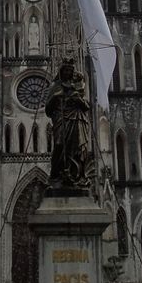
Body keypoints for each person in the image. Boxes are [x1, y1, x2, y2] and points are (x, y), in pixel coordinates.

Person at [45, 58, 90, 187]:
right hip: (61, 119)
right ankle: (56, 176)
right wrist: (55, 97)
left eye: (70, 71)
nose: (68, 73)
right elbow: (48, 109)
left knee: (78, 149)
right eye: (66, 70)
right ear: (61, 71)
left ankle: (76, 175)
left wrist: (78, 100)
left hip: (76, 119)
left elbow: (86, 106)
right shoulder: (55, 86)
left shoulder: (77, 86)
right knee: (59, 145)